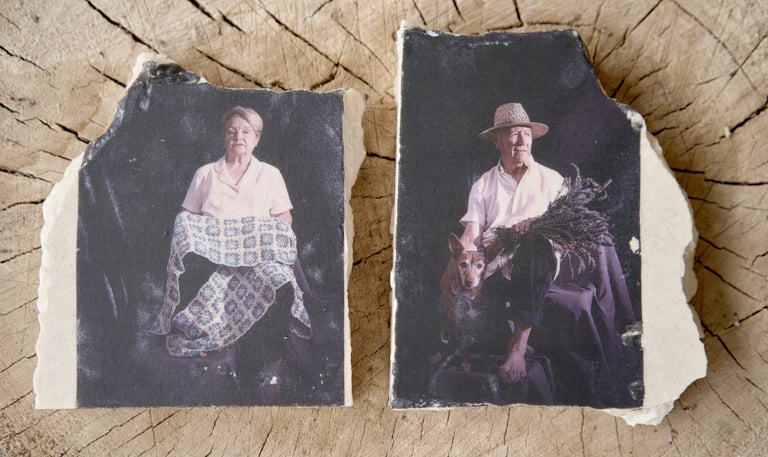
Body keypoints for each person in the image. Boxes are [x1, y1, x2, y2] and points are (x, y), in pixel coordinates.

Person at [459, 102, 564, 385]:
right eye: (514, 134)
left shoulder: (552, 180)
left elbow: (568, 241)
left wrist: (536, 231)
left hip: (536, 263)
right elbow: (472, 232)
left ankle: (518, 347)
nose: (521, 141)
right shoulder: (483, 184)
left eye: (526, 134)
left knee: (535, 244)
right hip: (493, 264)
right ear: (497, 140)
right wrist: (465, 250)